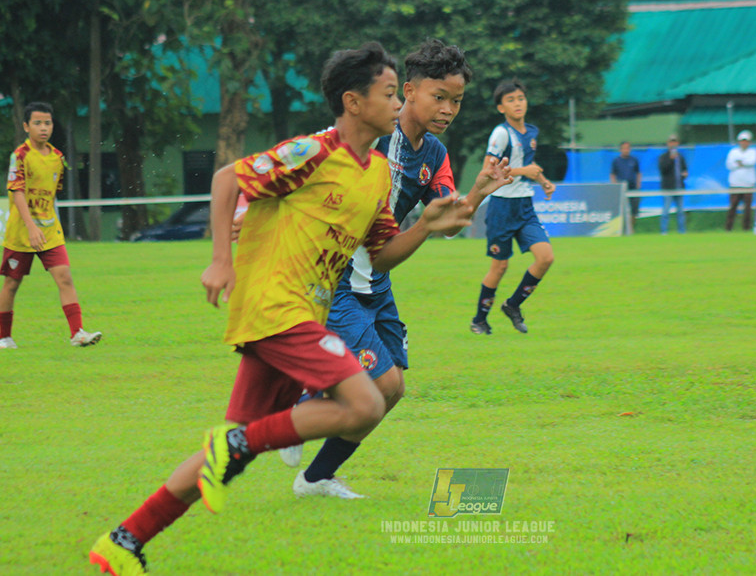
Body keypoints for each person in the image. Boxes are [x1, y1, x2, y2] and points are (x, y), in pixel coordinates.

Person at [89, 42, 475, 576]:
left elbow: (382, 258)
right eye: (389, 93)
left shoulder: (379, 174)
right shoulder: (316, 151)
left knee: (229, 457)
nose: (397, 104)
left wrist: (427, 226)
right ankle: (239, 443)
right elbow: (227, 179)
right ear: (353, 102)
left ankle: (123, 541)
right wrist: (221, 260)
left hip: (301, 316)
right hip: (276, 306)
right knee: (365, 403)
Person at [285, 39, 511, 498]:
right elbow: (313, 169)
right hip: (334, 279)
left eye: (457, 101)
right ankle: (295, 405)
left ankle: (315, 478)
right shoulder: (371, 132)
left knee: (392, 392)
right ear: (408, 90)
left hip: (378, 277)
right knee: (380, 381)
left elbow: (446, 222)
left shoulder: (434, 155)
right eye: (439, 97)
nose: (448, 109)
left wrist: (480, 191)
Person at [0, 102, 101, 349]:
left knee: (65, 277)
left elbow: (52, 195)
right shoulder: (19, 155)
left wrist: (45, 226)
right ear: (26, 126)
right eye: (37, 123)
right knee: (12, 283)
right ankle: (4, 337)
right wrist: (31, 227)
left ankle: (77, 333)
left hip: (50, 230)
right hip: (22, 232)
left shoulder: (57, 157)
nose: (43, 128)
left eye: (48, 123)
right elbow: (17, 192)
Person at [469, 79, 555, 336]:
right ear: (501, 108)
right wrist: (523, 171)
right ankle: (479, 321)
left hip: (525, 207)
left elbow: (528, 164)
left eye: (520, 98)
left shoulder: (531, 132)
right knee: (500, 266)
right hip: (502, 208)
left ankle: (513, 305)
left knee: (546, 258)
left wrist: (542, 181)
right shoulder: (501, 133)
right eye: (510, 100)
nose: (517, 103)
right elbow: (488, 169)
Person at [725, 130, 756, 231]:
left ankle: (746, 228)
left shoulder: (753, 151)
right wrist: (741, 163)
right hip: (735, 184)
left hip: (748, 184)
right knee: (732, 207)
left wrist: (740, 162)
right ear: (739, 141)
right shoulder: (733, 152)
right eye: (742, 141)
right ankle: (728, 228)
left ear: (749, 142)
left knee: (748, 208)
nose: (744, 143)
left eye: (746, 141)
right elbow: (729, 165)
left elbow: (751, 162)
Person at [658, 134, 688, 234]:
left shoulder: (681, 157)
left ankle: (682, 231)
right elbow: (663, 170)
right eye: (671, 142)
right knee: (666, 211)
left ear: (677, 143)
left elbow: (684, 170)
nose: (673, 144)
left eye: (675, 142)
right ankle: (664, 231)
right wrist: (671, 159)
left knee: (680, 212)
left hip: (679, 187)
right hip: (668, 188)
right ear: (668, 143)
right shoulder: (664, 157)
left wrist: (684, 174)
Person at [610, 140, 641, 233]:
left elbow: (638, 173)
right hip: (622, 189)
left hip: (633, 188)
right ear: (620, 149)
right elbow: (612, 174)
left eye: (628, 148)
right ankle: (622, 229)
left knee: (634, 211)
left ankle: (631, 229)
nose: (626, 150)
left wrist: (638, 184)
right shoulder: (616, 161)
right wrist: (615, 185)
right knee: (622, 210)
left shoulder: (634, 160)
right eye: (624, 148)